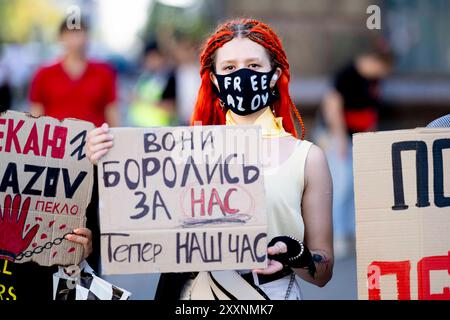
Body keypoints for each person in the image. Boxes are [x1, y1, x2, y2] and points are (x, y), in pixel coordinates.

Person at [86, 18, 333, 300]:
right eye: (229, 67)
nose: (242, 76)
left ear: (274, 74)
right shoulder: (184, 152)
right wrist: (101, 164)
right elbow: (135, 227)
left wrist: (298, 256)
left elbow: (324, 272)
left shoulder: (308, 159)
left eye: (253, 66)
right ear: (215, 79)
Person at [318, 43, 393, 259]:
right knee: (340, 185)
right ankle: (337, 234)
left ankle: (351, 231)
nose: (384, 74)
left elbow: (371, 112)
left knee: (356, 185)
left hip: (357, 137)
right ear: (375, 61)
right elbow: (332, 108)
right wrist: (339, 139)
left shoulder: (374, 81)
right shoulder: (347, 75)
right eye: (383, 69)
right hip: (336, 136)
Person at [29, 19, 119, 127]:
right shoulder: (44, 74)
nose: (76, 40)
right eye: (70, 34)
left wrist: (117, 140)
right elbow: (36, 114)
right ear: (61, 38)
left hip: (95, 141)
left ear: (87, 37)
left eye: (79, 33)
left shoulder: (104, 73)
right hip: (55, 142)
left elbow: (112, 112)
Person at [128, 41, 177, 127]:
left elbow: (172, 108)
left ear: (161, 57)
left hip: (160, 131)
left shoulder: (170, 78)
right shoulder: (144, 77)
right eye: (148, 58)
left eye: (153, 57)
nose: (150, 61)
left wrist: (145, 101)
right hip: (138, 128)